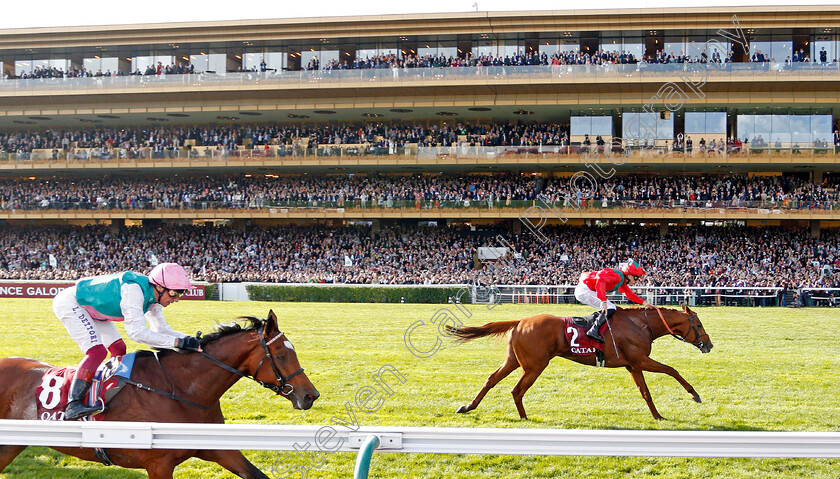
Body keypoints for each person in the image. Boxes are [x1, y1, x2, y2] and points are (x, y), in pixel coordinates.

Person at [53, 263, 201, 421]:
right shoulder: (134, 290)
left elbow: (160, 329)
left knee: (119, 349)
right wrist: (178, 343)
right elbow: (136, 333)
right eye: (173, 293)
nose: (176, 299)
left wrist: (188, 340)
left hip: (93, 309)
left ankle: (104, 394)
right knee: (97, 351)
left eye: (181, 293)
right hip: (72, 303)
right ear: (159, 287)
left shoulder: (154, 296)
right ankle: (73, 405)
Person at [575, 259, 653, 343]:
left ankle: (596, 327)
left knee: (611, 308)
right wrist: (603, 300)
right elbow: (600, 278)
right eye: (636, 277)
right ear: (630, 276)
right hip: (584, 290)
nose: (637, 281)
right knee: (610, 307)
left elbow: (629, 294)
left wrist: (645, 303)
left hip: (587, 289)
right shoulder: (618, 277)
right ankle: (593, 330)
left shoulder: (622, 280)